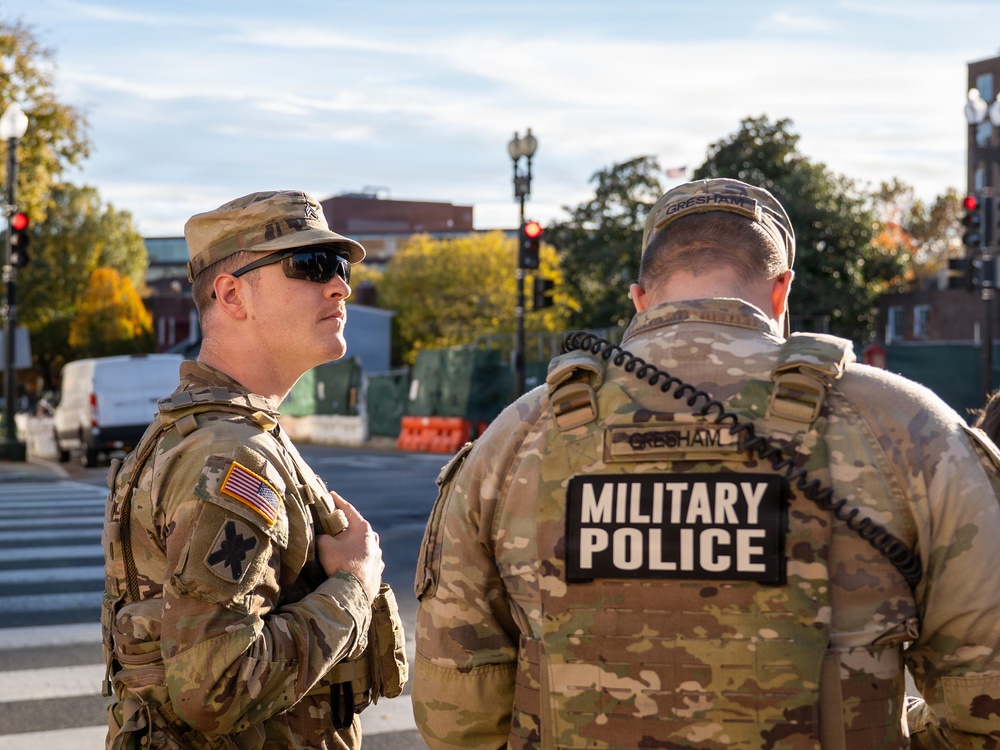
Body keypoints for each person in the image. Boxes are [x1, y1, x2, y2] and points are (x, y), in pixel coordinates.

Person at [412, 178, 1000, 748]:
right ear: (781, 292)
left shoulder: (514, 438)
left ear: (640, 298)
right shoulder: (908, 426)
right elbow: (986, 705)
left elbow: (456, 713)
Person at [102, 190, 402, 749]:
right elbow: (217, 687)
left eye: (338, 267)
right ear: (232, 294)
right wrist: (352, 587)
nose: (340, 285)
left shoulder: (214, 432)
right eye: (309, 265)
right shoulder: (230, 452)